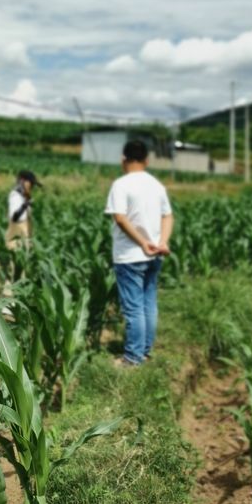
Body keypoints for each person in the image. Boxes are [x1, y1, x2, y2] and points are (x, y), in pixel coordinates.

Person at [104, 140, 173, 366]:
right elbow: (167, 216)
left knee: (134, 308)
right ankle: (144, 351)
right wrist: (162, 241)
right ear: (146, 160)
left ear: (124, 159)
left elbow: (120, 218)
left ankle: (133, 358)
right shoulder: (157, 185)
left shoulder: (121, 185)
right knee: (148, 304)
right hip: (155, 255)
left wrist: (142, 242)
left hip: (130, 255)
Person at [5, 169, 42, 251]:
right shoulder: (15, 196)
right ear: (22, 181)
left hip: (23, 243)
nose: (32, 187)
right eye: (31, 184)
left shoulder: (22, 197)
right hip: (15, 244)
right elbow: (15, 217)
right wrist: (25, 205)